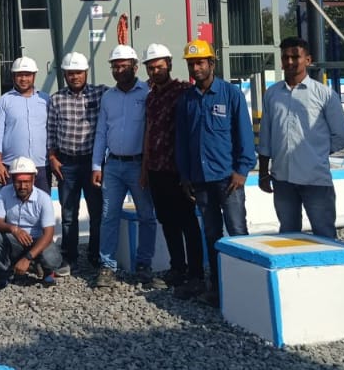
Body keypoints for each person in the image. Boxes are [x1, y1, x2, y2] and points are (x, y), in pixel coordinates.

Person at [174, 39, 256, 306]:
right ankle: (218, 286)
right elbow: (182, 142)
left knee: (237, 230)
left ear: (212, 63)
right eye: (191, 64)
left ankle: (245, 287)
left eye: (200, 63)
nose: (195, 68)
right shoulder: (186, 100)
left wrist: (242, 170)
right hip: (200, 180)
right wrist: (185, 176)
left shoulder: (231, 95)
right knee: (211, 234)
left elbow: (244, 136)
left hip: (228, 180)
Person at [258, 36, 344, 241]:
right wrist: (263, 172)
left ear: (308, 60)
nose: (290, 61)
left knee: (324, 235)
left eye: (295, 57)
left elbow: (342, 136)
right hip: (282, 179)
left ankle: (327, 262)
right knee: (288, 235)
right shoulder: (272, 94)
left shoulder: (324, 95)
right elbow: (266, 136)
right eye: (285, 57)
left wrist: (317, 151)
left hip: (315, 179)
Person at [92, 44, 161, 290]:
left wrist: (147, 167)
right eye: (115, 66)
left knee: (146, 216)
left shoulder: (147, 93)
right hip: (113, 166)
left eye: (123, 66)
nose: (119, 70)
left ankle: (144, 265)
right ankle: (107, 266)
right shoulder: (108, 97)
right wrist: (96, 165)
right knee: (108, 216)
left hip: (138, 166)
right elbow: (101, 132)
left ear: (135, 67)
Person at [140, 43, 203, 297]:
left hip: (179, 171)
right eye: (151, 68)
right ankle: (177, 267)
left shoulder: (183, 92)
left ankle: (196, 273)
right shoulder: (151, 97)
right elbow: (148, 132)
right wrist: (145, 168)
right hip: (157, 170)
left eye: (159, 67)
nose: (155, 71)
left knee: (187, 221)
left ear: (169, 65)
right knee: (167, 221)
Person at [47, 51, 106, 274]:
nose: (75, 77)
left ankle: (95, 255)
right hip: (67, 164)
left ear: (86, 72)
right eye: (70, 73)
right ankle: (70, 257)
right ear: (64, 75)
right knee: (69, 214)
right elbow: (51, 131)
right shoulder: (56, 99)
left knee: (96, 211)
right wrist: (52, 158)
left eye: (79, 72)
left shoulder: (99, 94)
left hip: (92, 163)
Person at [0, 156, 62, 291]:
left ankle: (46, 271)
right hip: (15, 240)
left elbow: (48, 234)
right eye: (18, 182)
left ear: (33, 180)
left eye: (26, 182)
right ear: (12, 179)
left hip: (37, 241)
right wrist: (14, 229)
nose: (22, 186)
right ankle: (4, 272)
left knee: (52, 258)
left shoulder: (43, 198)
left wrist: (27, 258)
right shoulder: (4, 193)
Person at [0, 57, 51, 193]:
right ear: (13, 76)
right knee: (12, 205)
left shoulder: (45, 100)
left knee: (42, 204)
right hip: (12, 166)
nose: (23, 79)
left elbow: (52, 131)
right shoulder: (3, 101)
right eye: (19, 75)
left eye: (27, 75)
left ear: (34, 76)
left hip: (41, 166)